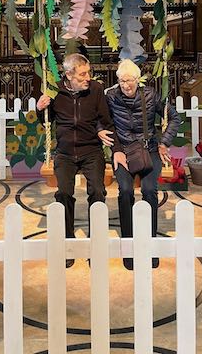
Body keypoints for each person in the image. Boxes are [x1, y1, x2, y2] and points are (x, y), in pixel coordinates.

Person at [37, 53, 125, 267]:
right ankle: (67, 243)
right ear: (69, 75)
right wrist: (39, 109)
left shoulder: (96, 90)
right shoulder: (54, 90)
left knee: (98, 191)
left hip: (91, 150)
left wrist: (115, 147)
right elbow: (46, 120)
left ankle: (96, 243)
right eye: (83, 74)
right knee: (63, 194)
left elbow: (106, 121)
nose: (88, 78)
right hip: (65, 152)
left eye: (89, 73)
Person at [106, 59, 181, 270]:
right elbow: (104, 122)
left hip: (149, 150)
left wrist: (164, 142)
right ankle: (129, 247)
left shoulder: (150, 95)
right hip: (124, 151)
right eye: (122, 81)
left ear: (138, 80)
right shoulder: (111, 97)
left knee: (149, 190)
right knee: (125, 191)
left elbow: (174, 118)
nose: (125, 85)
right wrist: (115, 148)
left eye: (129, 81)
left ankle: (150, 245)